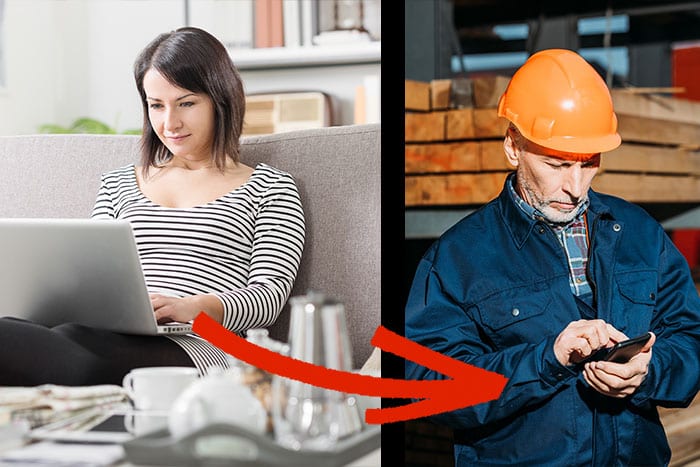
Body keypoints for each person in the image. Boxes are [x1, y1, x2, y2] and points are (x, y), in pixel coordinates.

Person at [404, 48, 700, 466]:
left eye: (588, 164)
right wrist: (548, 359)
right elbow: (431, 387)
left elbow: (690, 337)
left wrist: (648, 372)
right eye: (557, 165)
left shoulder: (640, 234)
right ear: (513, 147)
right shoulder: (456, 259)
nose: (575, 187)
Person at [0, 26, 305, 386]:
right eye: (156, 105)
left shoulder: (271, 187)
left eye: (186, 103)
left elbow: (269, 298)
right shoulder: (117, 183)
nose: (169, 123)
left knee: (73, 354)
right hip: (96, 333)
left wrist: (195, 308)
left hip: (199, 344)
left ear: (221, 99)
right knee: (29, 333)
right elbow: (88, 278)